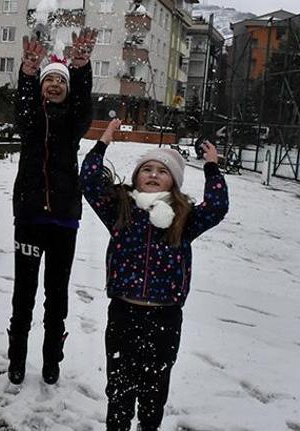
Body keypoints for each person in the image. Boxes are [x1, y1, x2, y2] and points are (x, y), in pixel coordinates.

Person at [80, 119, 229, 431]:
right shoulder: (121, 209)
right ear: (137, 177)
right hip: (124, 312)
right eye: (147, 169)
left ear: (173, 182)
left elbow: (216, 207)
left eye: (162, 171)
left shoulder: (183, 219)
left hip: (165, 318)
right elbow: (90, 183)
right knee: (119, 391)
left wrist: (212, 168)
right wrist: (103, 142)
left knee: (153, 393)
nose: (153, 175)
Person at [6, 28, 98, 386]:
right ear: (42, 87)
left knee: (56, 296)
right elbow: (23, 105)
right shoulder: (30, 123)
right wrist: (28, 73)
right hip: (29, 218)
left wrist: (80, 67)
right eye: (50, 81)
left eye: (61, 81)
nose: (55, 85)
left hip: (63, 221)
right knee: (23, 295)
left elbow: (83, 103)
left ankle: (51, 361)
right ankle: (17, 358)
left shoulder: (73, 124)